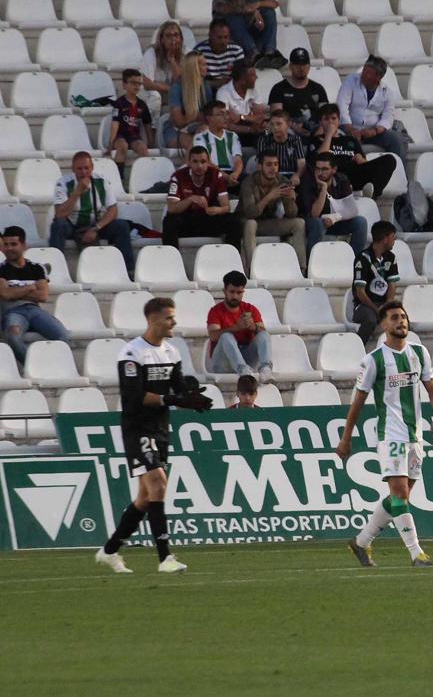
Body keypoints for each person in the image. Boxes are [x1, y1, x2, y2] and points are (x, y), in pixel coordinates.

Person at [95, 297, 212, 575]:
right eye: (169, 317)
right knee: (158, 484)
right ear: (153, 320)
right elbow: (135, 399)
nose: (174, 322)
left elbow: (178, 387)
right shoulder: (132, 354)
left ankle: (109, 550)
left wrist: (190, 395)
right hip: (138, 428)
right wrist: (176, 399)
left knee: (146, 497)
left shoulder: (171, 352)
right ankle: (165, 558)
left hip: (160, 429)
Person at [336, 300, 433, 569]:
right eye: (395, 317)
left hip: (415, 436)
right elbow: (358, 402)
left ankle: (361, 542)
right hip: (390, 436)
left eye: (404, 317)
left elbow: (431, 387)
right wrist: (346, 437)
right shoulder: (373, 360)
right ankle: (416, 553)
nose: (401, 321)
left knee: (402, 496)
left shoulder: (419, 353)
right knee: (398, 494)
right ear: (384, 325)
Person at [50, 152, 135, 273]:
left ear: (92, 167)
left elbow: (113, 210)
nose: (83, 172)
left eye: (86, 168)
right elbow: (59, 214)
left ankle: (129, 270)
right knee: (58, 225)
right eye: (79, 168)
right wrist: (77, 192)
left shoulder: (102, 180)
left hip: (96, 224)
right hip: (72, 225)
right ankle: (55, 269)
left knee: (121, 226)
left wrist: (96, 228)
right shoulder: (63, 183)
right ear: (73, 169)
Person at [1, 226, 69, 364]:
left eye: (13, 244)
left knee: (63, 335)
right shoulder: (1, 269)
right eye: (6, 245)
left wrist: (16, 292)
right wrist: (31, 287)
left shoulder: (37, 268)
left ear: (24, 245)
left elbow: (42, 295)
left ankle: (56, 365)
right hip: (13, 312)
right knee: (13, 337)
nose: (9, 248)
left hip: (35, 311)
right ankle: (36, 367)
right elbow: (5, 294)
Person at [164, 146, 244, 250]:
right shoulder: (178, 176)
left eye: (203, 162)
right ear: (189, 162)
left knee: (234, 222)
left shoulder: (216, 174)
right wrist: (191, 199)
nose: (199, 166)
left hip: (208, 218)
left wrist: (218, 210)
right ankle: (171, 262)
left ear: (208, 162)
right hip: (186, 220)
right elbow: (171, 209)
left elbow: (226, 207)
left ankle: (232, 261)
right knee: (169, 222)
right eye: (195, 162)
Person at [311, 104, 396, 198]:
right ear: (321, 122)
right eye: (326, 119)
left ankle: (373, 195)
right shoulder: (317, 140)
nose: (330, 122)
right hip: (336, 176)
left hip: (355, 174)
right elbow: (320, 159)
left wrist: (361, 160)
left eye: (333, 118)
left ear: (339, 121)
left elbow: (364, 162)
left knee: (389, 160)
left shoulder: (350, 140)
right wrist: (329, 134)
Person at [240, 151, 306, 269]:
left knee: (299, 223)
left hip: (268, 223)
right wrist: (269, 197)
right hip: (246, 223)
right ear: (260, 167)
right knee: (251, 223)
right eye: (269, 164)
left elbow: (292, 214)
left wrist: (290, 200)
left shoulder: (283, 181)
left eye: (276, 164)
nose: (273, 168)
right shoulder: (249, 183)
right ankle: (253, 269)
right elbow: (250, 213)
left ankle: (300, 269)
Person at [337, 55, 406, 162]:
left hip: (373, 131)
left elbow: (388, 116)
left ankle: (401, 175)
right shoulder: (350, 81)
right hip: (348, 128)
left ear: (378, 77)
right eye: (364, 70)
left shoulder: (387, 92)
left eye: (368, 73)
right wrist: (350, 129)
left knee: (396, 139)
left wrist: (374, 131)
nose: (363, 74)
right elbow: (342, 106)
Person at [299, 152, 369, 255]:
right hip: (312, 222)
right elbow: (314, 214)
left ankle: (355, 261)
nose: (320, 173)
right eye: (317, 169)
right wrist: (323, 188)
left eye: (324, 169)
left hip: (333, 221)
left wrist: (335, 217)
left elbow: (352, 209)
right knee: (317, 223)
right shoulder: (308, 181)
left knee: (360, 222)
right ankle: (312, 261)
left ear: (334, 169)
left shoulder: (342, 179)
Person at [207, 270, 273, 379]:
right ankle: (243, 370)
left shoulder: (250, 309)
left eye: (239, 293)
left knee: (263, 334)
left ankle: (266, 368)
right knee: (226, 336)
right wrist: (235, 328)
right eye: (232, 292)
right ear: (225, 291)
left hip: (247, 357)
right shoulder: (216, 311)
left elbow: (263, 335)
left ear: (243, 292)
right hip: (223, 362)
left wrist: (253, 327)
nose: (235, 296)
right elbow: (213, 336)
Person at [352, 222, 400, 344]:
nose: (394, 240)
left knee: (402, 318)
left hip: (383, 304)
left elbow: (392, 286)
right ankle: (358, 348)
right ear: (385, 239)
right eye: (393, 237)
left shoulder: (391, 258)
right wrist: (376, 309)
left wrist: (387, 306)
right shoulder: (362, 258)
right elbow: (360, 292)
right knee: (371, 319)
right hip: (364, 306)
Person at [267, 48, 329, 139]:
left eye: (304, 64)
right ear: (290, 66)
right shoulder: (278, 89)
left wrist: (320, 131)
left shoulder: (318, 88)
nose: (301, 68)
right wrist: (294, 127)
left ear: (309, 66)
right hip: (289, 131)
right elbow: (276, 117)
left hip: (314, 130)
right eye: (297, 64)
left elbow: (326, 115)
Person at [108, 69, 153, 181]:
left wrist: (151, 142)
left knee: (143, 148)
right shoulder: (119, 103)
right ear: (124, 85)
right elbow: (115, 123)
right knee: (123, 147)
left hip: (134, 137)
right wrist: (110, 143)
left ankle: (142, 179)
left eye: (139, 83)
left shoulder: (142, 104)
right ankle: (119, 180)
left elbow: (147, 124)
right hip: (120, 135)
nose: (136, 86)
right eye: (133, 83)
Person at [212, 0, 285, 69]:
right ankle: (253, 54)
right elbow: (220, 7)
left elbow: (274, 3)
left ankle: (270, 53)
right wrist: (250, 11)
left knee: (269, 12)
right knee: (234, 19)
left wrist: (257, 5)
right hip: (233, 35)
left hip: (253, 29)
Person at [167, 52, 213, 151]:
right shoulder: (177, 88)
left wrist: (196, 116)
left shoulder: (205, 86)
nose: (207, 67)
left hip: (196, 127)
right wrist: (196, 115)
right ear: (195, 68)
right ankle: (190, 166)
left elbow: (208, 116)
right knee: (196, 144)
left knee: (205, 131)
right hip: (176, 131)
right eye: (203, 64)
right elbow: (179, 121)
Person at [192, 101, 245, 188]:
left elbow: (238, 160)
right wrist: (226, 177)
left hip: (232, 174)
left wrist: (235, 174)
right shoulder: (200, 138)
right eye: (220, 115)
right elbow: (207, 163)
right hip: (211, 174)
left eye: (226, 114)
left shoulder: (232, 136)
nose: (226, 117)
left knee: (249, 180)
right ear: (209, 118)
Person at [216, 61, 267, 146]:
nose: (256, 77)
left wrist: (240, 117)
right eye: (253, 76)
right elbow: (226, 124)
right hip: (233, 134)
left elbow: (260, 117)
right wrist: (250, 127)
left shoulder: (254, 90)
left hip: (250, 128)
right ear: (242, 81)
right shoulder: (223, 93)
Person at [141, 21, 185, 115]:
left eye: (176, 35)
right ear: (161, 39)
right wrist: (171, 89)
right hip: (149, 95)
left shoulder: (185, 53)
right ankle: (152, 128)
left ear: (180, 38)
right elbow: (147, 84)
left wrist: (172, 60)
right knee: (155, 96)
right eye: (168, 36)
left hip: (171, 96)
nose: (173, 39)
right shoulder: (151, 52)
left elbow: (180, 82)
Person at [255, 109, 306, 183]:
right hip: (271, 177)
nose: (275, 127)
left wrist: (297, 175)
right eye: (272, 124)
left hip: (291, 176)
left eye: (279, 124)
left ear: (288, 124)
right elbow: (260, 165)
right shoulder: (264, 140)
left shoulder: (295, 140)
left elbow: (301, 163)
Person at [195, 18, 247, 89]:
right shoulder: (199, 51)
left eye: (226, 37)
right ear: (210, 36)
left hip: (230, 90)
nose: (223, 41)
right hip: (208, 90)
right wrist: (216, 83)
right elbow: (194, 80)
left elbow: (242, 77)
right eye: (219, 37)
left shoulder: (237, 50)